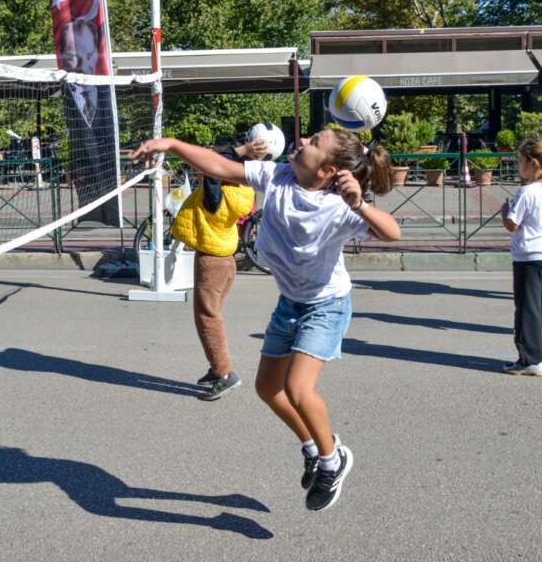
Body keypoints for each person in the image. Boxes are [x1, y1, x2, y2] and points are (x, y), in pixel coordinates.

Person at [131, 127, 400, 512]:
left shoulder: (340, 205)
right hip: (291, 302)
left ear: (327, 170)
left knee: (298, 389)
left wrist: (360, 205)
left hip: (325, 304)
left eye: (314, 143)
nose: (303, 140)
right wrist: (172, 145)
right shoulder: (278, 176)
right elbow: (221, 166)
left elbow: (392, 232)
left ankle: (332, 460)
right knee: (267, 389)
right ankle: (312, 446)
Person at [170, 135, 268, 401]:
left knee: (207, 318)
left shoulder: (218, 194)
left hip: (212, 262)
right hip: (223, 261)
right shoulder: (242, 191)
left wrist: (241, 150)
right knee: (211, 315)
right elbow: (216, 159)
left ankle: (225, 375)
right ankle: (217, 369)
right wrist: (243, 153)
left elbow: (211, 161)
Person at [499, 138, 542, 376]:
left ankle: (530, 359)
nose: (518, 165)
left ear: (532, 163)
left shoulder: (526, 192)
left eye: (520, 161)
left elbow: (512, 225)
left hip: (529, 256)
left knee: (527, 308)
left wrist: (505, 211)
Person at [57, 17, 119, 225]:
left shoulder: (105, 96)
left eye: (89, 54)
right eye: (74, 56)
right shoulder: (68, 100)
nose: (83, 62)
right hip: (83, 170)